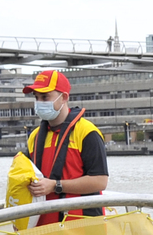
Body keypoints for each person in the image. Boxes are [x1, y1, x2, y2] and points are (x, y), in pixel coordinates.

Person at [22, 70, 109, 223]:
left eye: (45, 97)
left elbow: (100, 181)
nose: (39, 103)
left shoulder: (87, 132)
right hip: (44, 228)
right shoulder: (34, 137)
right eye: (36, 98)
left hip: (84, 228)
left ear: (64, 97)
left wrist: (55, 186)